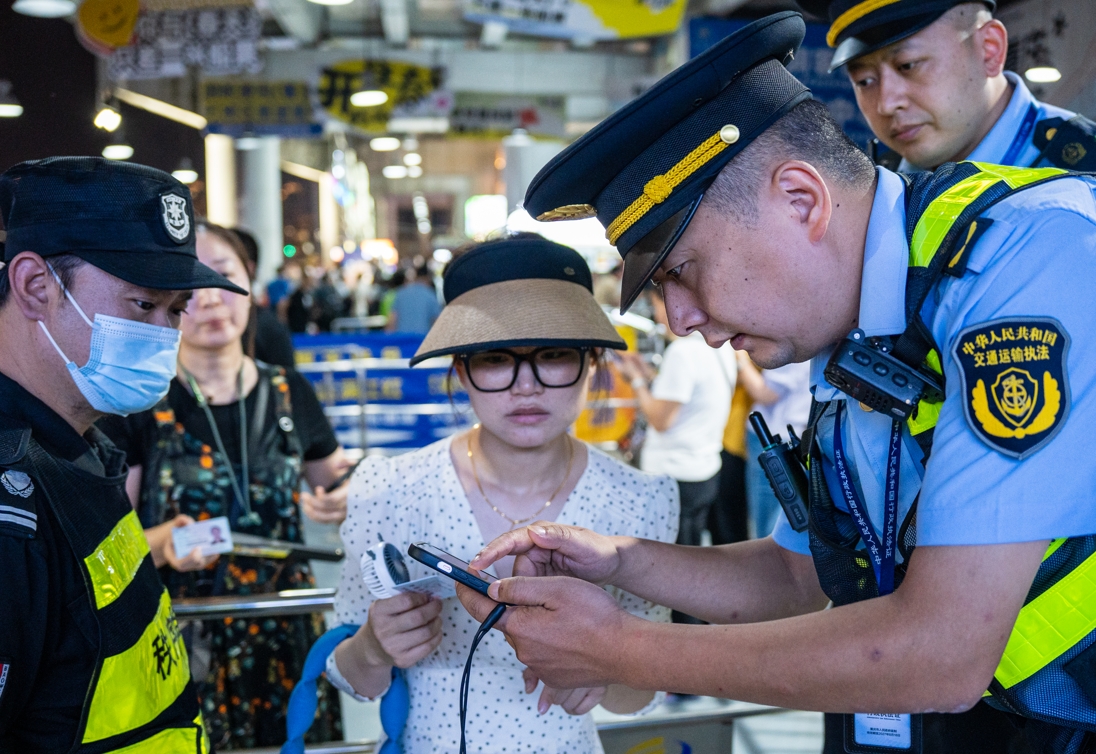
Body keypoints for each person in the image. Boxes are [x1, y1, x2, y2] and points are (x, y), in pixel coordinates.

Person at [459, 13, 1096, 754]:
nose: (684, 319)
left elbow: (941, 650)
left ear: (802, 199)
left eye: (681, 272)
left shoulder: (1028, 260)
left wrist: (620, 650)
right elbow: (796, 576)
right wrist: (618, 560)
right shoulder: (859, 328)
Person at [327, 236, 679, 754]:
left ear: (591, 362)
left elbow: (640, 698)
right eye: (495, 358)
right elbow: (351, 676)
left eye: (554, 355)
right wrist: (374, 647)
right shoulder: (391, 490)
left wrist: (609, 669)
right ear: (461, 370)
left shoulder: (638, 500)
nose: (526, 386)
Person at [0, 157, 250, 752]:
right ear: (36, 286)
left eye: (174, 311)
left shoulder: (83, 445)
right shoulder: (11, 503)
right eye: (143, 305)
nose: (164, 334)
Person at [98, 222, 352, 750]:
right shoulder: (139, 403)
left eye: (224, 276)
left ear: (249, 283)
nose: (211, 300)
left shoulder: (288, 390)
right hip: (186, 637)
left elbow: (337, 478)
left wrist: (346, 494)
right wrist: (160, 542)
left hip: (289, 631)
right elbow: (107, 546)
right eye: (191, 285)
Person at [798, 0, 1094, 173]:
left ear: (989, 50)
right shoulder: (881, 187)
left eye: (908, 65)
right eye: (864, 81)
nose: (886, 104)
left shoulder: (1084, 172)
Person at [618, 286, 734, 558]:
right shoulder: (718, 348)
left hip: (674, 476)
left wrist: (636, 380)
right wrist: (648, 376)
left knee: (673, 564)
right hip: (703, 468)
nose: (658, 316)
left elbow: (661, 420)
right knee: (692, 555)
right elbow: (686, 399)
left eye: (657, 305)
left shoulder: (682, 353)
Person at [736, 355, 811, 539]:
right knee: (777, 510)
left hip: (773, 436)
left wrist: (740, 359)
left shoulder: (796, 349)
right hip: (788, 434)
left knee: (768, 513)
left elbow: (764, 393)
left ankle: (768, 561)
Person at [385, 263, 442, 335]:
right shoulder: (430, 294)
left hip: (402, 340)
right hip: (422, 340)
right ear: (428, 278)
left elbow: (392, 321)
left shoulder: (401, 293)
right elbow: (437, 322)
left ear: (415, 277)